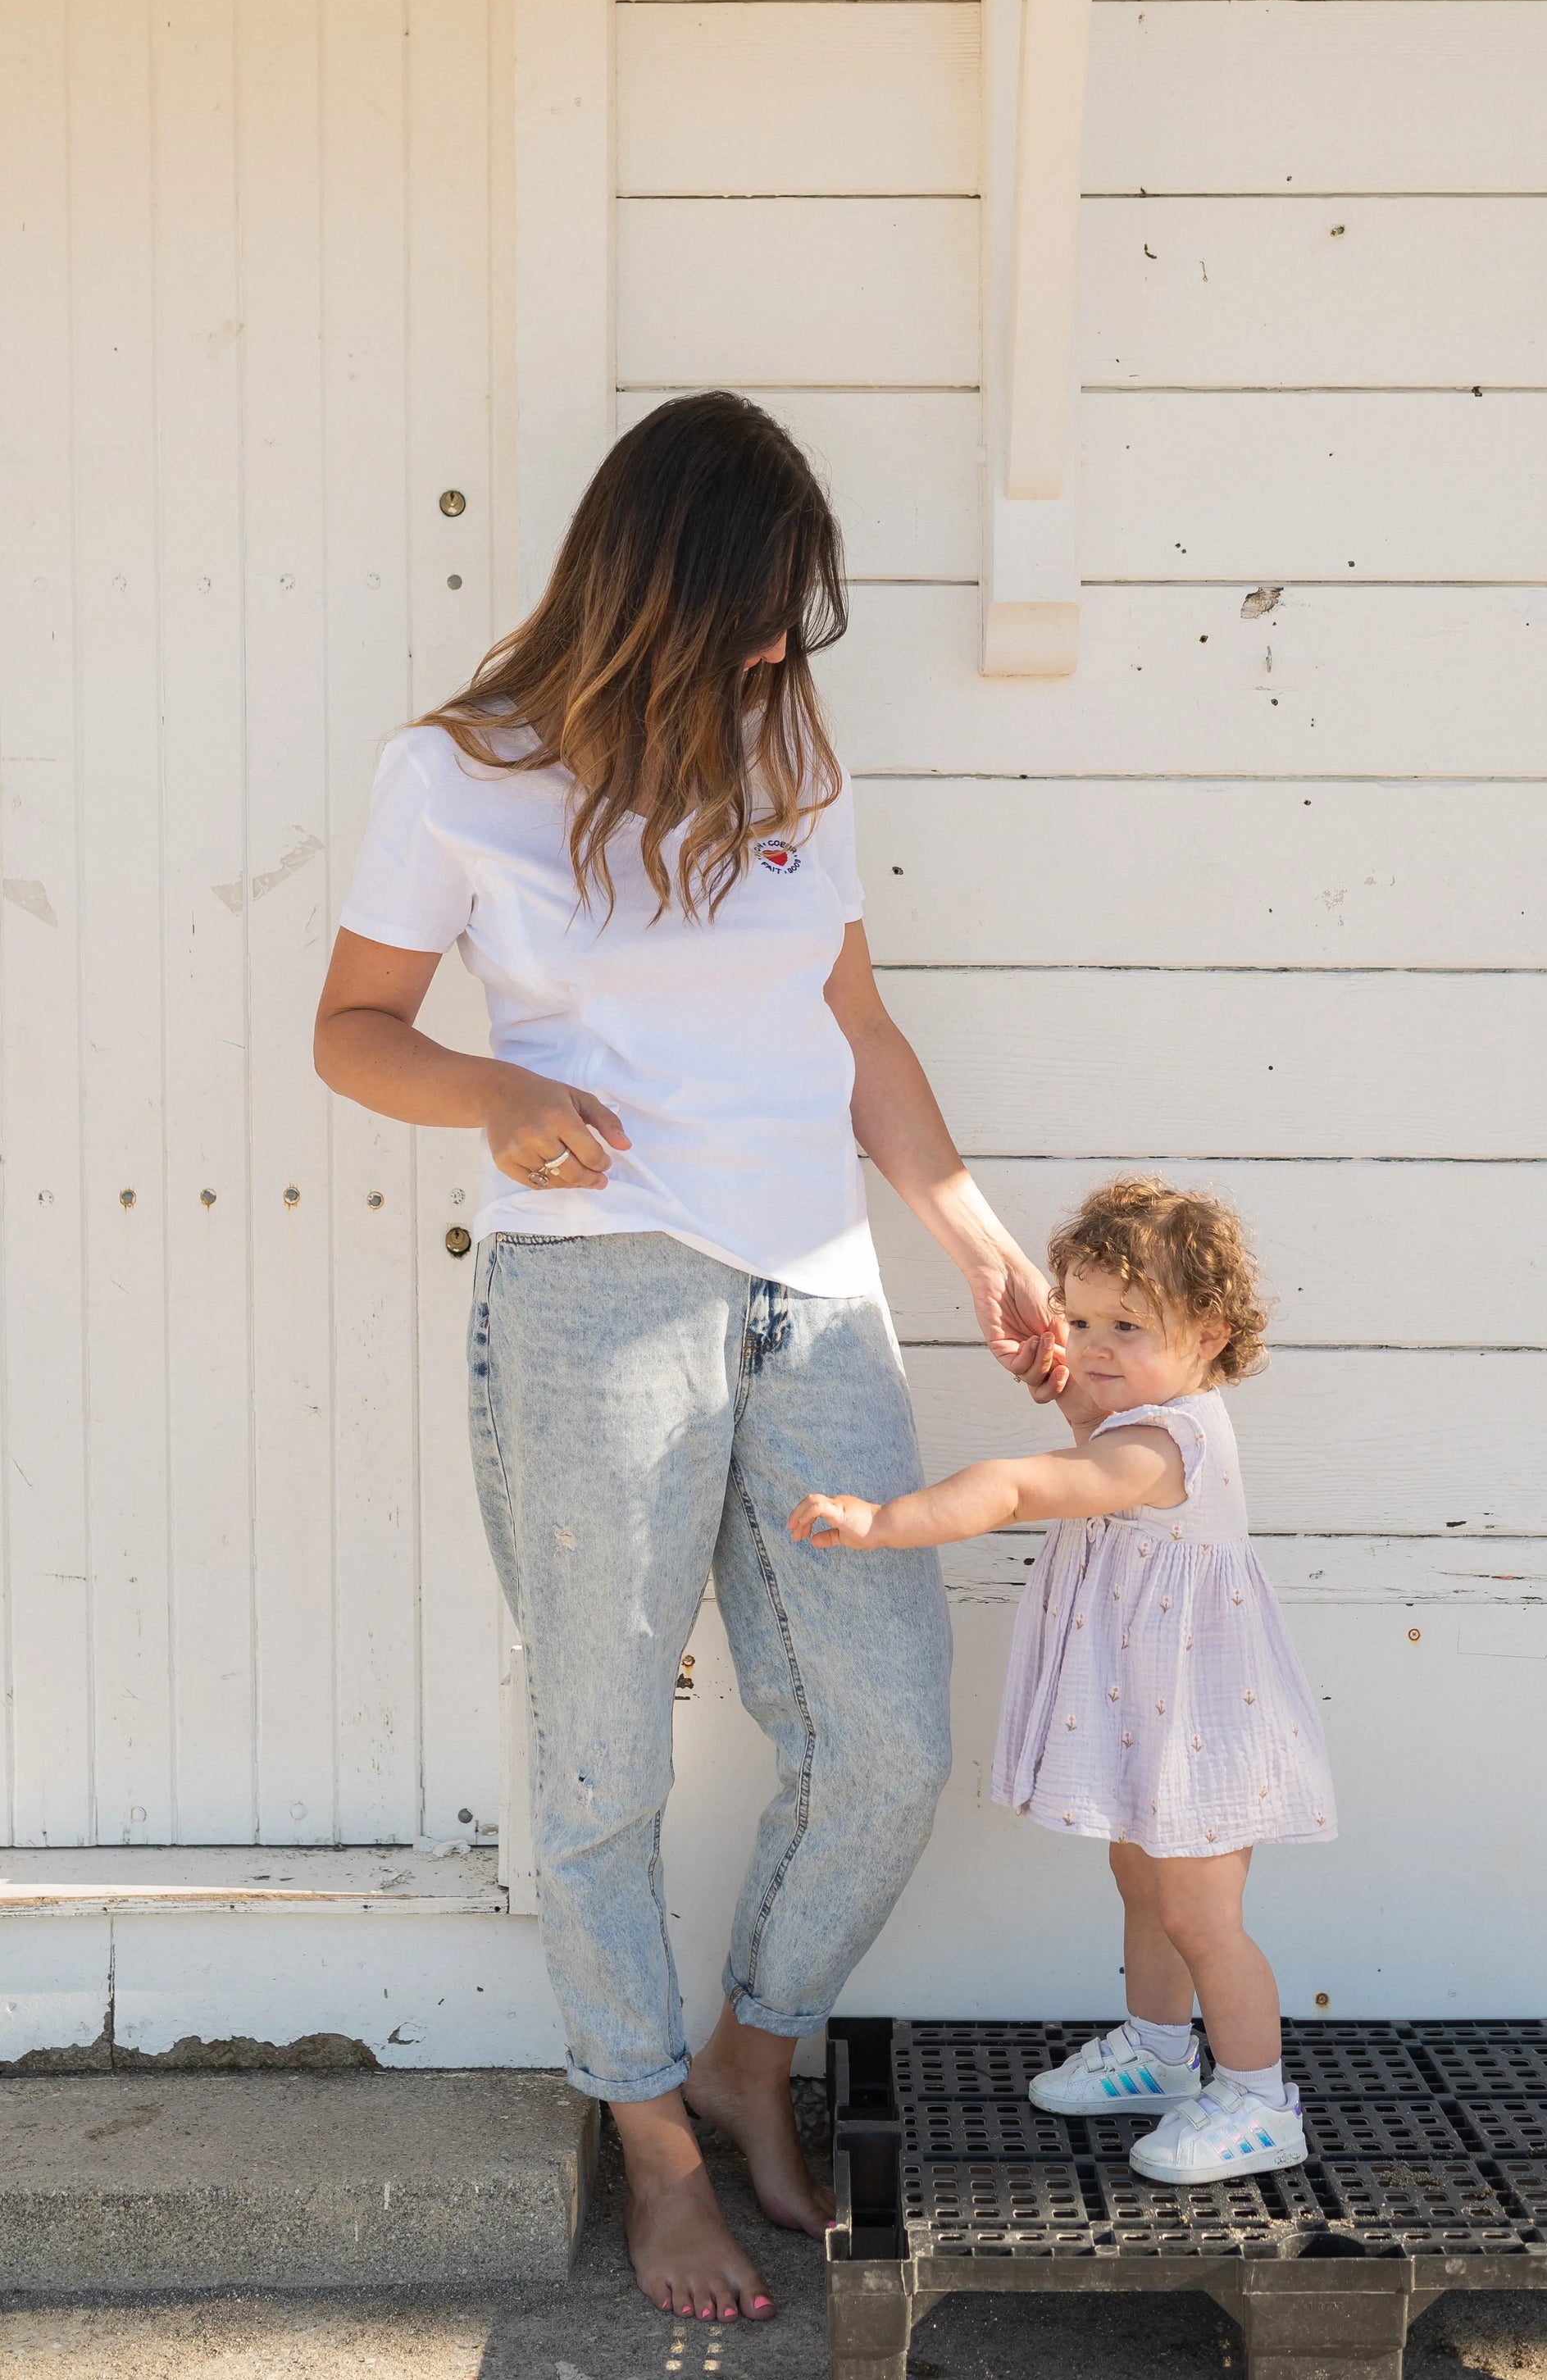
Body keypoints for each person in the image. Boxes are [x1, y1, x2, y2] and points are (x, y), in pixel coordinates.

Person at [313, 392, 1061, 2319]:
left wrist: (974, 1242)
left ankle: (753, 2044)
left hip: (810, 1286)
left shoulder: (785, 748)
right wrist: (488, 1088)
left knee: (886, 1723)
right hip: (594, 1299)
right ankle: (654, 2146)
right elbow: (356, 1026)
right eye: (764, 609)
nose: (781, 648)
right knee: (600, 1749)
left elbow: (858, 1030)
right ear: (671, 584)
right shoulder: (456, 769)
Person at [789, 1176, 1337, 2184]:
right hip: (1152, 1710)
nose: (1092, 1344)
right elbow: (1092, 1411)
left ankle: (1260, 2102)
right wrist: (1073, 1374)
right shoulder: (1146, 1411)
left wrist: (884, 1521)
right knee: (1144, 1883)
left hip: (1198, 1728)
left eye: (1126, 1325)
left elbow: (1015, 1487)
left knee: (1201, 1916)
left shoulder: (1160, 1447)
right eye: (1079, 1316)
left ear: (1208, 1334)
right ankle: (1159, 2053)